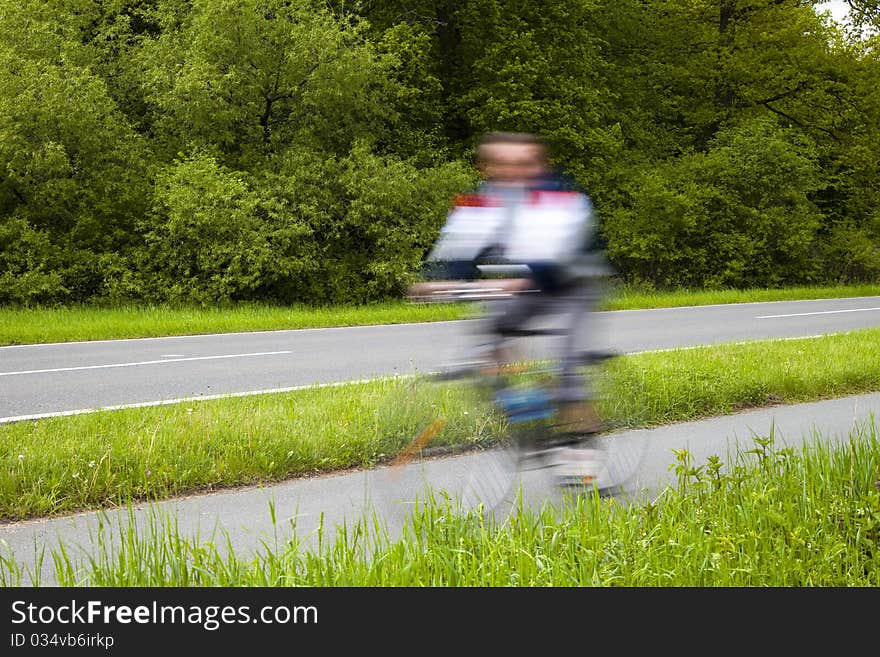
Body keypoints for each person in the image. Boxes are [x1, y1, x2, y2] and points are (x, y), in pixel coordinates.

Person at [409, 131, 614, 438]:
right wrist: (438, 281)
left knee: (567, 357)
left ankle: (578, 425)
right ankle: (528, 405)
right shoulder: (485, 198)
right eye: (501, 163)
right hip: (533, 286)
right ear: (487, 166)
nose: (512, 171)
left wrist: (520, 281)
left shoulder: (558, 194)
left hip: (576, 282)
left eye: (523, 163)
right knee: (490, 329)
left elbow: (553, 247)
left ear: (540, 165)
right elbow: (462, 244)